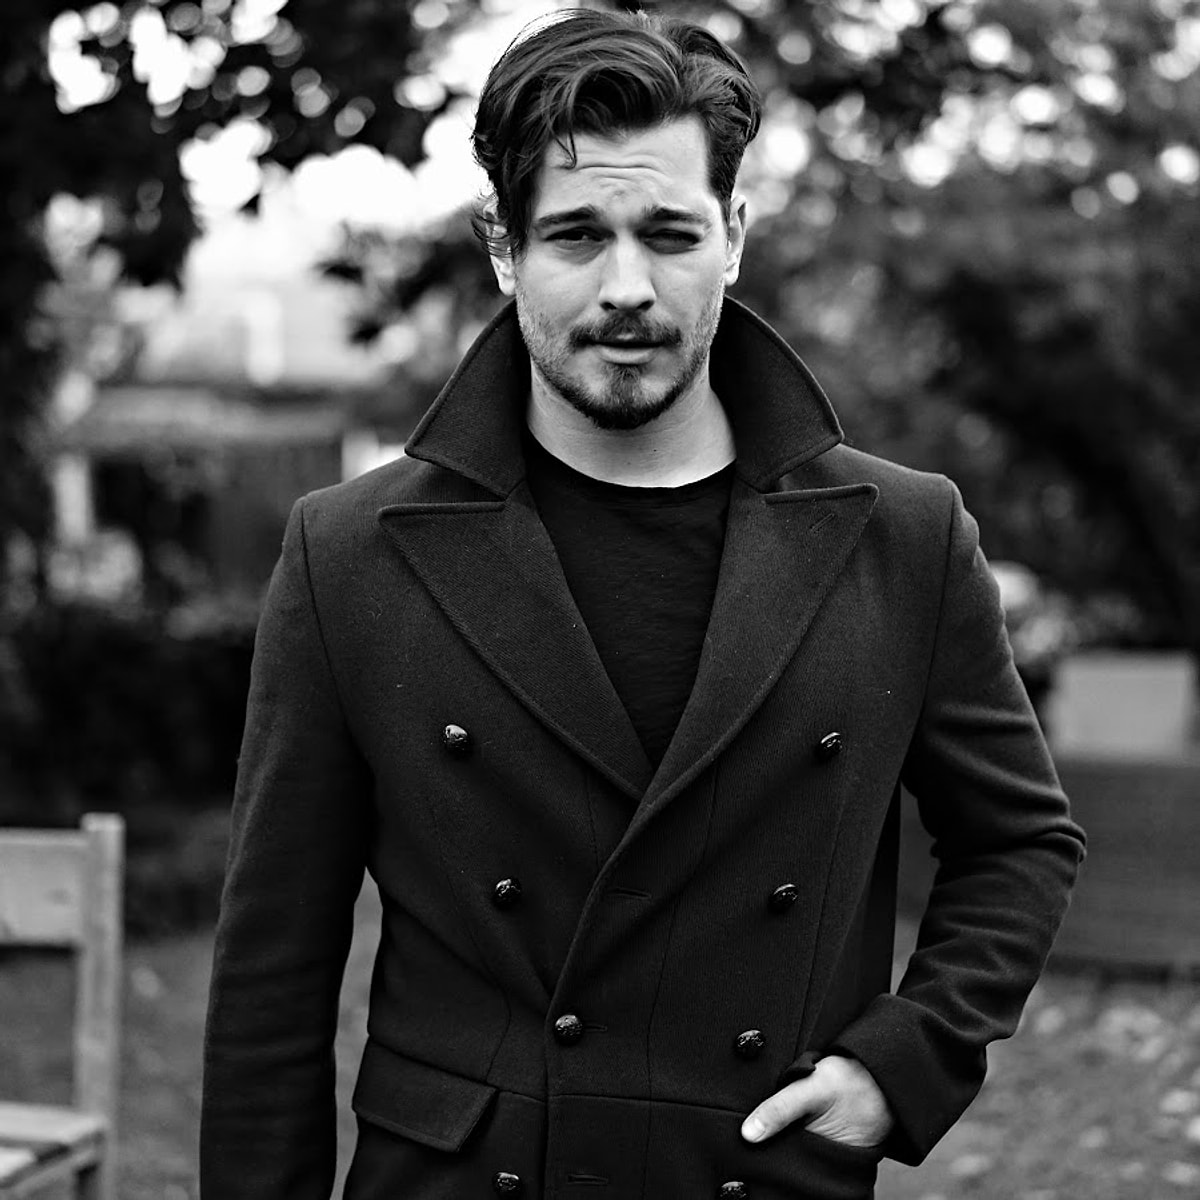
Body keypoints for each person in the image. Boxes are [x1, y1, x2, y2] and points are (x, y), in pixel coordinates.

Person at [201, 10, 1085, 1199]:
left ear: (733, 236)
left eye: (669, 234)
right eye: (576, 234)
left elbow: (1020, 841)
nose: (628, 288)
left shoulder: (905, 536)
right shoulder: (348, 552)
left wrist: (906, 1059)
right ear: (504, 247)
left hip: (757, 1174)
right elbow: (273, 969)